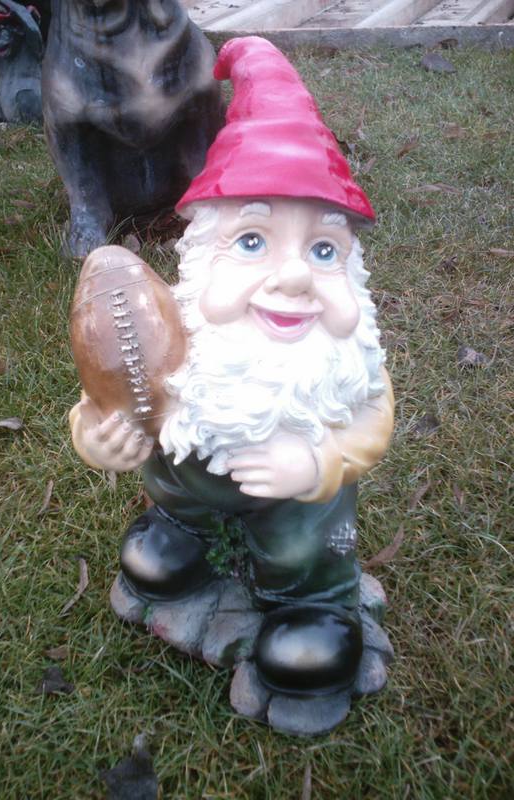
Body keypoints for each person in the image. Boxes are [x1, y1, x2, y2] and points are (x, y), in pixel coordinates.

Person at [70, 36, 394, 700]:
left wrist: (319, 462)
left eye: (324, 249)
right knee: (155, 560)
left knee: (303, 552)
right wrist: (96, 436)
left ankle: (315, 604)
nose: (295, 276)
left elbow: (370, 425)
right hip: (191, 494)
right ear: (200, 256)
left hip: (299, 514)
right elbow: (103, 397)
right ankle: (186, 538)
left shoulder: (346, 366)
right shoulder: (171, 328)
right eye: (252, 241)